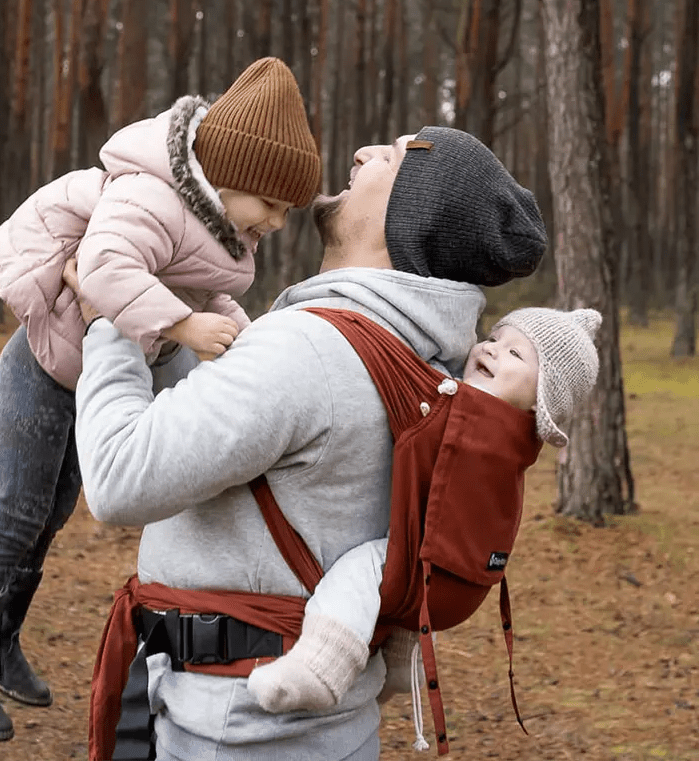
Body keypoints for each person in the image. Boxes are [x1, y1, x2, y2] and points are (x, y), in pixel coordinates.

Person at [71, 124, 549, 761]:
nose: (360, 150)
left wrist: (110, 319)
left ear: (411, 218)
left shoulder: (308, 352)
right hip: (317, 730)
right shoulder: (429, 360)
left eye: (393, 155)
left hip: (230, 728)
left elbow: (117, 475)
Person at [0, 57, 321, 742]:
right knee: (17, 515)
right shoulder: (151, 197)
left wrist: (251, 342)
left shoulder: (208, 222)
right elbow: (105, 266)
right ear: (231, 179)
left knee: (51, 515)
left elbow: (198, 284)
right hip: (43, 370)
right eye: (272, 204)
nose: (278, 222)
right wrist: (186, 328)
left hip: (82, 376)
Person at [245, 306, 602, 715]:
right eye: (493, 338)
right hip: (464, 582)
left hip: (435, 576)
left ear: (542, 399)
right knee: (401, 563)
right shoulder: (518, 443)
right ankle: (399, 661)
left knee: (361, 568)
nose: (490, 350)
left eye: (515, 354)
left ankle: (321, 670)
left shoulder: (481, 418)